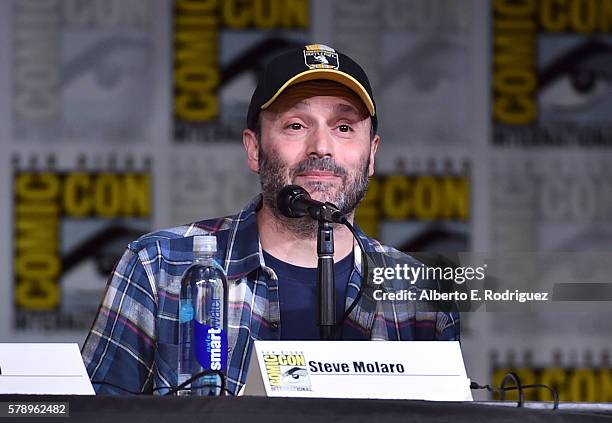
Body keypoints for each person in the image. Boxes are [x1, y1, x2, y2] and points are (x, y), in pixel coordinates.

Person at [82, 44, 460, 395]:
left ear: (372, 155)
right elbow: (93, 417)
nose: (322, 147)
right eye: (296, 125)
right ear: (254, 149)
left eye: (344, 127)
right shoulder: (159, 266)